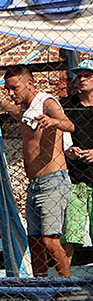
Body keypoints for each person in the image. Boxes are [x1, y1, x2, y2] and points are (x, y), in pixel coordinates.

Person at [2, 63, 76, 278]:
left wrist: (53, 121)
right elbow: (15, 112)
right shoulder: (26, 109)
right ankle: (40, 287)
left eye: (14, 88)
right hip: (34, 184)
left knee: (49, 240)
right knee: (34, 242)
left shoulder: (46, 102)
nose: (11, 93)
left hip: (53, 181)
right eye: (8, 88)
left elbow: (69, 124)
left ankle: (67, 285)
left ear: (30, 83)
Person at [64, 58, 93, 249]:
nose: (82, 79)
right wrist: (69, 150)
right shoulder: (67, 106)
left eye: (87, 75)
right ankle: (64, 278)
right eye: (79, 75)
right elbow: (59, 135)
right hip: (74, 179)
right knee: (70, 235)